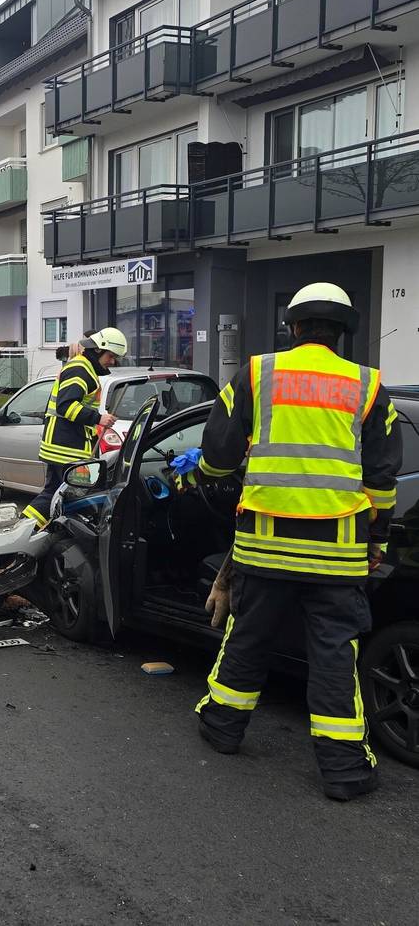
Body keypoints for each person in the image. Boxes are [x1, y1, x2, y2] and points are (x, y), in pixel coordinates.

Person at [178, 283, 402, 801]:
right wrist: (378, 541)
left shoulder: (258, 373)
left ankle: (222, 728)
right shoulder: (368, 386)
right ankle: (344, 770)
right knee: (333, 657)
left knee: (248, 639)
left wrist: (210, 472)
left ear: (293, 326)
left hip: (264, 549)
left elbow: (216, 455)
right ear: (344, 333)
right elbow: (382, 479)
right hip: (338, 555)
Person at [22, 328, 128, 529]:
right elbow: (66, 406)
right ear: (97, 350)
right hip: (65, 447)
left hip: (64, 445)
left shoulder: (83, 367)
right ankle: (28, 531)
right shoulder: (80, 369)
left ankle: (29, 530)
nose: (112, 361)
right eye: (111, 356)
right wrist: (99, 418)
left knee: (55, 492)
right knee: (70, 494)